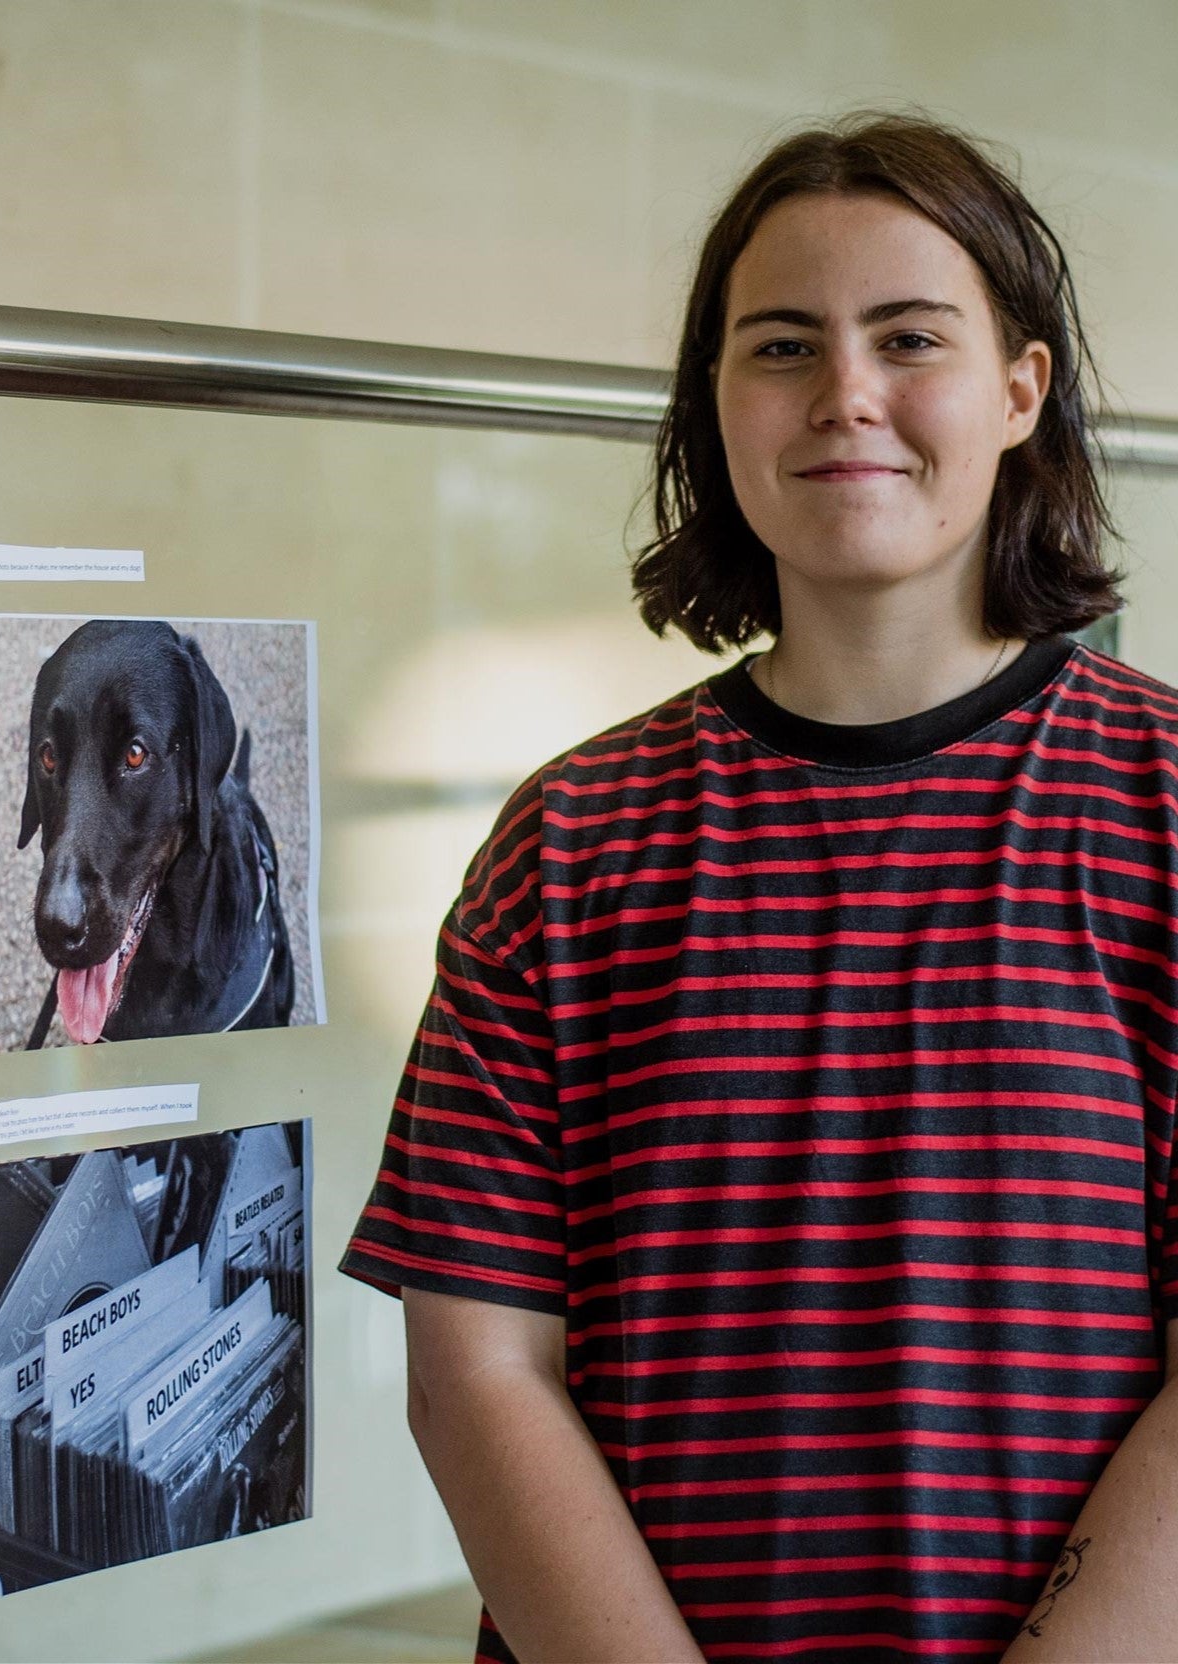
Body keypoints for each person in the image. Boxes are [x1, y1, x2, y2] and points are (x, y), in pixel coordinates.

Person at [341, 109, 1178, 1664]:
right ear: (717, 408)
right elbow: (477, 1373)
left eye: (908, 337)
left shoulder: (1165, 808)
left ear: (1019, 390)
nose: (845, 396)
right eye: (781, 347)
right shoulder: (571, 840)